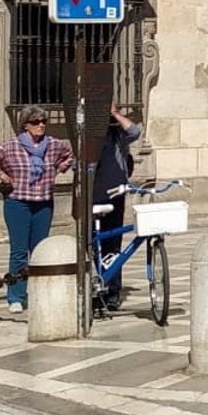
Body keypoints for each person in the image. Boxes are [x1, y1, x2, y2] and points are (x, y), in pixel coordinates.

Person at [0, 108, 75, 314]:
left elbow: (71, 154)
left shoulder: (54, 145)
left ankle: (39, 292)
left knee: (39, 251)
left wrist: (59, 169)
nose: (41, 125)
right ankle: (16, 296)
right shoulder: (11, 146)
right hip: (18, 203)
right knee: (19, 252)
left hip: (43, 204)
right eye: (35, 121)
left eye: (43, 121)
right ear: (25, 125)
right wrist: (1, 176)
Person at [91, 104, 145, 309]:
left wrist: (114, 114)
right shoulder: (88, 136)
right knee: (93, 244)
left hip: (116, 195)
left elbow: (135, 131)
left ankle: (113, 290)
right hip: (94, 195)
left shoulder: (118, 134)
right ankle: (100, 284)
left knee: (113, 245)